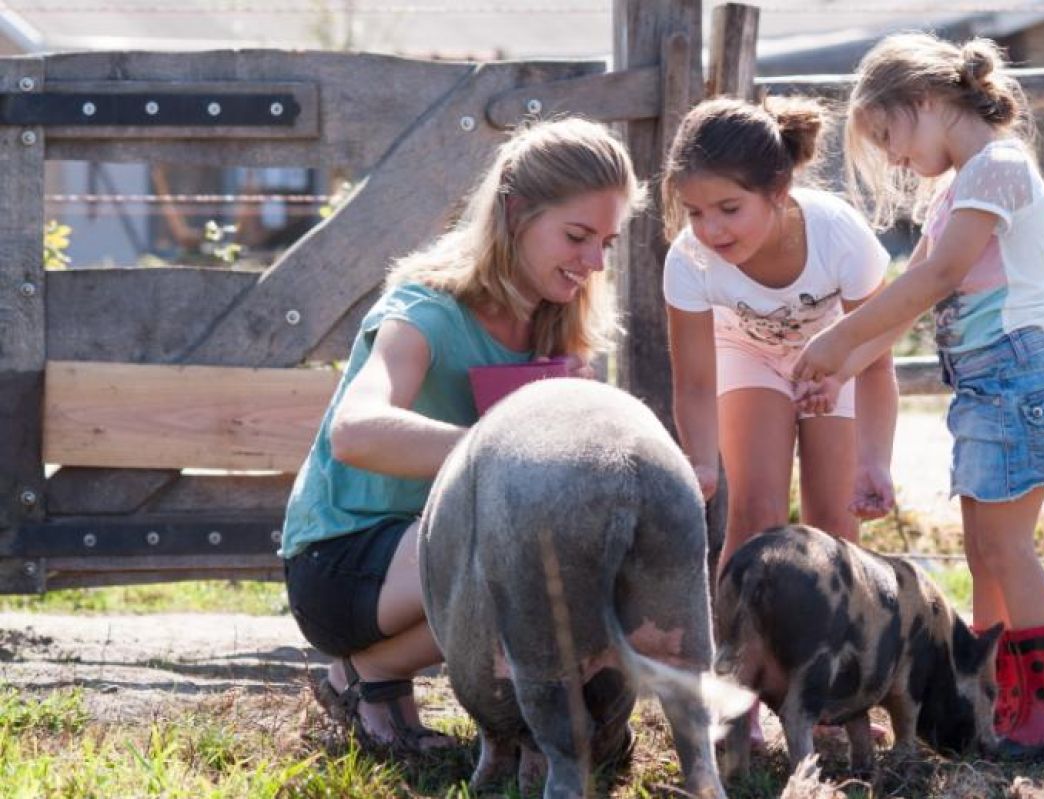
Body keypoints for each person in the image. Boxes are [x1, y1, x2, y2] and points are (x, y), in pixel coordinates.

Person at [793, 33, 1044, 762]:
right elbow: (916, 304)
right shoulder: (959, 184)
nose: (895, 158)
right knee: (984, 551)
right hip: (988, 384)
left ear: (927, 101)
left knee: (1006, 546)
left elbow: (935, 278)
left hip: (1018, 377)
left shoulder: (997, 165)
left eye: (889, 135)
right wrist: (847, 363)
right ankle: (992, 699)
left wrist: (840, 340)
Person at [279, 117, 640, 755]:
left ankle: (407, 684)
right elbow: (355, 433)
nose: (594, 262)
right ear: (515, 213)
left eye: (607, 242)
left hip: (436, 561)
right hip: (343, 562)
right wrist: (502, 455)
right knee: (528, 537)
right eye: (578, 236)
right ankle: (377, 670)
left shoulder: (556, 327)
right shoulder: (425, 310)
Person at [661, 96, 899, 580]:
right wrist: (703, 463)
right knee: (755, 516)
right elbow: (695, 384)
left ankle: (833, 652)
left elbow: (875, 360)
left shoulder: (838, 235)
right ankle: (732, 651)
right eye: (695, 213)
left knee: (835, 524)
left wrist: (875, 461)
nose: (711, 229)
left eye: (729, 208)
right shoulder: (689, 260)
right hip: (748, 353)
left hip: (839, 360)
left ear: (779, 190)